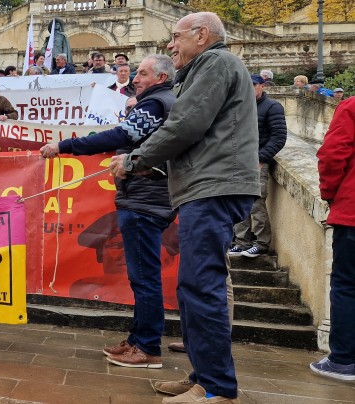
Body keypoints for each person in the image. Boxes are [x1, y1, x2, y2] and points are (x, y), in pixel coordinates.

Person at [108, 12, 259, 403]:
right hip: (204, 186)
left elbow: (185, 125)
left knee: (201, 286)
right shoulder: (209, 67)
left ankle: (216, 387)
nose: (170, 45)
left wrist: (135, 160)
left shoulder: (216, 63)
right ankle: (202, 377)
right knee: (193, 287)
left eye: (175, 36)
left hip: (212, 188)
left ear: (202, 35)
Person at [40, 54, 178, 369]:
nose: (135, 79)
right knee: (141, 277)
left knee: (144, 278)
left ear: (160, 78)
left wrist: (65, 146)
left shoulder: (155, 104)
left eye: (142, 73)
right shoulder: (161, 102)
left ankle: (148, 347)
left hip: (145, 200)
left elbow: (122, 136)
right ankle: (137, 339)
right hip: (146, 198)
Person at [313, 96, 355, 382]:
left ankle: (344, 360)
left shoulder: (351, 106)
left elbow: (332, 154)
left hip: (352, 212)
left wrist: (330, 194)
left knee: (347, 286)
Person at [229, 75, 287, 258]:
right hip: (239, 161)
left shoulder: (272, 107)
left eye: (253, 84)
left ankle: (261, 244)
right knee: (238, 201)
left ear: (262, 86)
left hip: (257, 162)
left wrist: (261, 159)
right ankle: (241, 242)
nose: (249, 87)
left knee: (256, 202)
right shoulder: (240, 105)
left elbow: (279, 137)